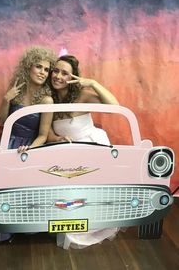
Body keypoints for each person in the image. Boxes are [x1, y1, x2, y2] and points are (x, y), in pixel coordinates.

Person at [47, 54, 120, 249]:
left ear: (72, 78)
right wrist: (57, 139)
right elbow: (48, 133)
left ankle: (98, 223)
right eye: (56, 71)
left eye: (65, 73)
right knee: (71, 199)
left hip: (93, 147)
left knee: (95, 194)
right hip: (68, 154)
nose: (58, 76)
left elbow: (115, 107)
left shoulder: (82, 95)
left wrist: (93, 83)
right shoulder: (48, 100)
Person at [0, 46, 57, 153]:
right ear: (28, 67)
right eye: (38, 67)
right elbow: (1, 121)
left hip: (29, 149)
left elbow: (43, 136)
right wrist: (6, 100)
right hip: (6, 143)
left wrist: (30, 149)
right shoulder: (16, 89)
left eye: (46, 70)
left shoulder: (47, 100)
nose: (43, 72)